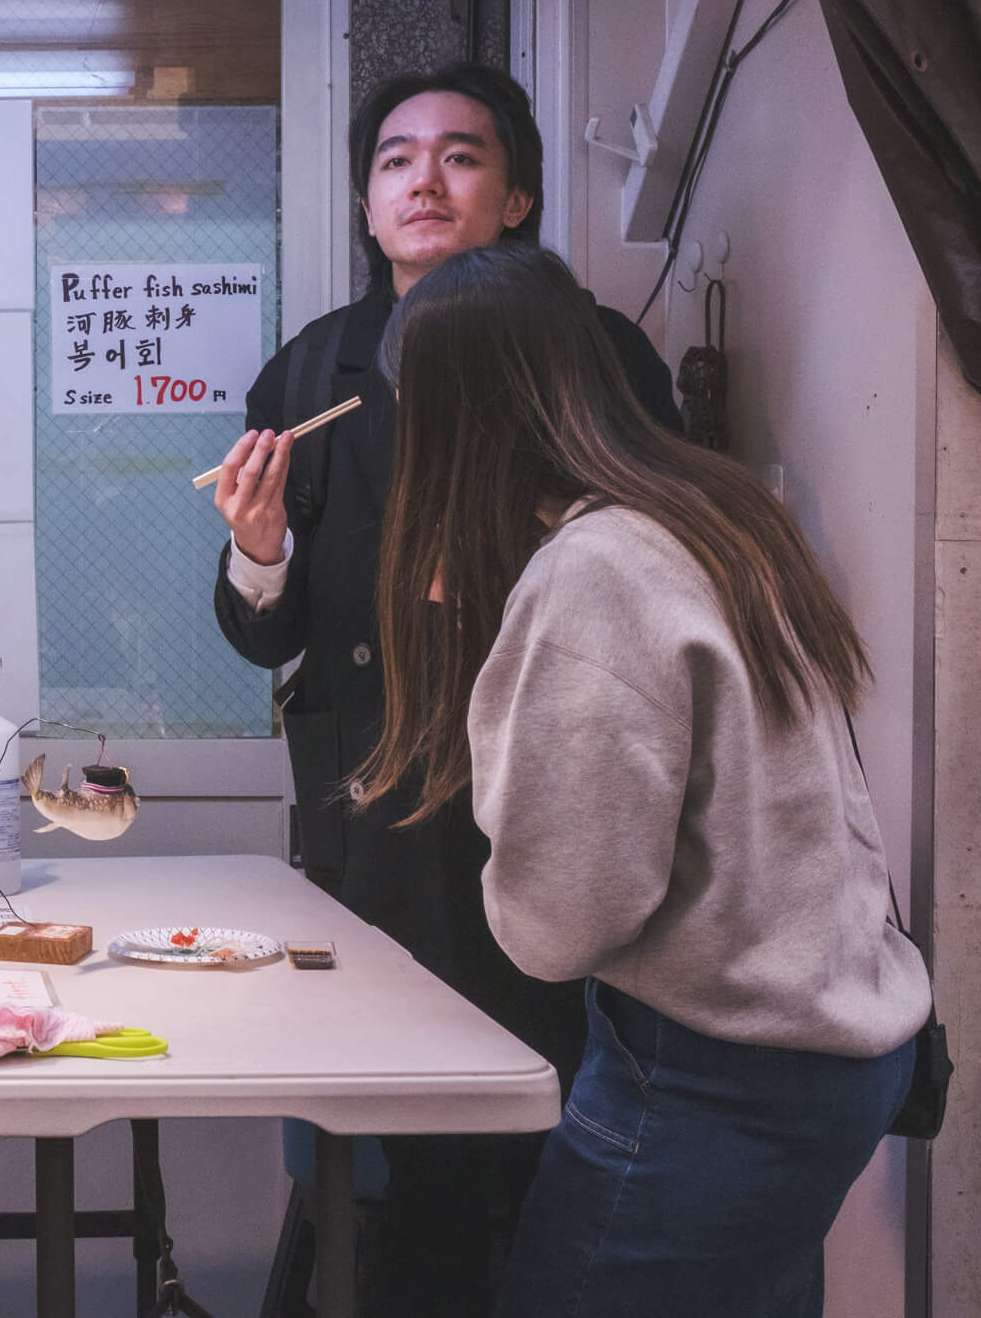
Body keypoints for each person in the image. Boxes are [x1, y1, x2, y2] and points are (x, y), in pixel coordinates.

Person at [359, 244, 928, 1315]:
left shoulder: (591, 573)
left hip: (716, 1079)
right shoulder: (714, 511)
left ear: (459, 422)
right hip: (841, 1045)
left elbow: (555, 924)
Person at [207, 63, 681, 1314]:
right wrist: (260, 554)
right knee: (396, 1162)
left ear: (516, 197)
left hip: (557, 814)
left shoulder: (600, 360)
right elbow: (266, 640)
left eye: (462, 157)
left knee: (552, 1139)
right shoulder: (314, 375)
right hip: (377, 831)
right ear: (367, 208)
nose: (425, 180)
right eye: (396, 160)